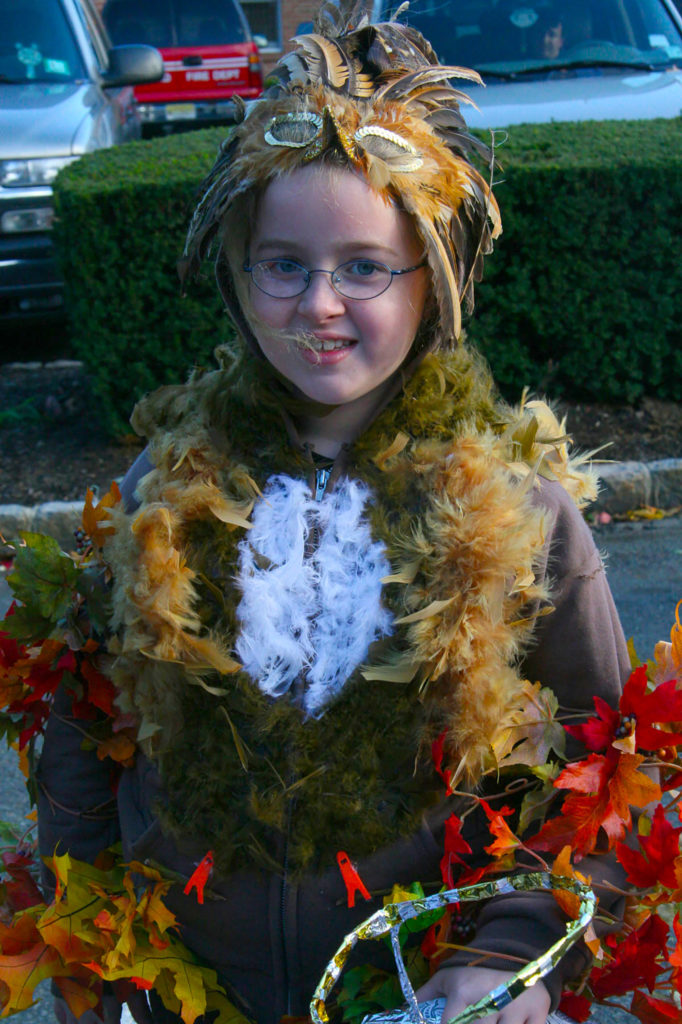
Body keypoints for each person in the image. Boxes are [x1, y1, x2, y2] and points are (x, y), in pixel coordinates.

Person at [35, 3, 631, 1023]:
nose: (318, 303)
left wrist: (511, 948)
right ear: (241, 272)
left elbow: (598, 762)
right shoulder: (159, 494)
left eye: (363, 267)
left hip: (418, 993)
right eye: (285, 264)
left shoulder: (517, 514)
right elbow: (86, 737)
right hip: (187, 995)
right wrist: (91, 956)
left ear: (433, 279)